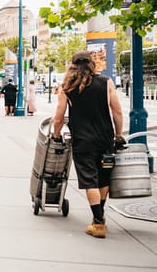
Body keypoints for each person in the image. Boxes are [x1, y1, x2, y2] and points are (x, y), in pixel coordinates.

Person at [52, 50, 123, 239]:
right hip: (105, 139)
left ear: (72, 65)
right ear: (92, 64)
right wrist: (118, 134)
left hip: (82, 140)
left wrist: (56, 135)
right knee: (104, 177)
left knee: (89, 179)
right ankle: (99, 216)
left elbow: (58, 118)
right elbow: (117, 111)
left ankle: (98, 223)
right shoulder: (106, 83)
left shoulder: (67, 87)